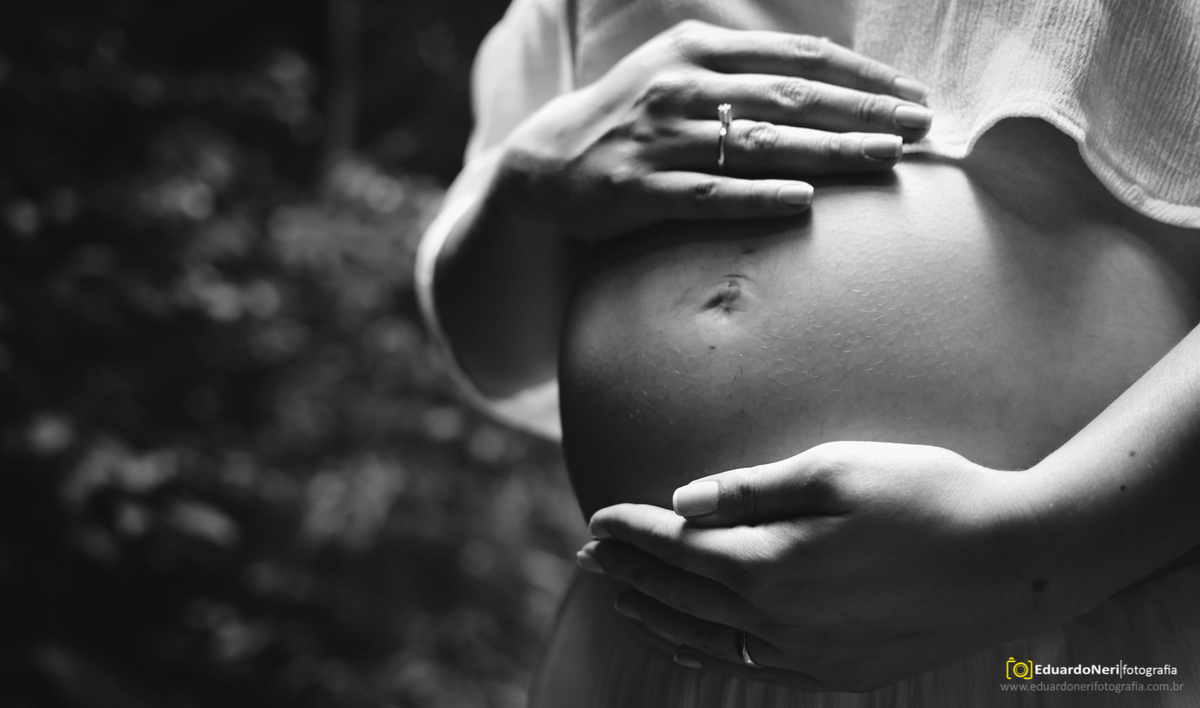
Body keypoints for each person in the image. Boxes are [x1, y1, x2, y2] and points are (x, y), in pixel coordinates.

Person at [417, 0, 1200, 704]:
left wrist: (1041, 556)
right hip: (658, 644)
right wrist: (526, 183)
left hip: (1064, 643)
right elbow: (496, 353)